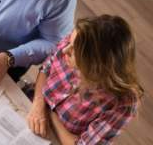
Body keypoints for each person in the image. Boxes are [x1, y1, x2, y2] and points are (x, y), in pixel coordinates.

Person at [24, 15, 143, 144]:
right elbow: (45, 70)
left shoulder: (121, 104)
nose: (65, 49)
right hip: (27, 103)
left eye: (75, 50)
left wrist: (49, 114)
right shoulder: (74, 41)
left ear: (97, 64)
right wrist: (39, 102)